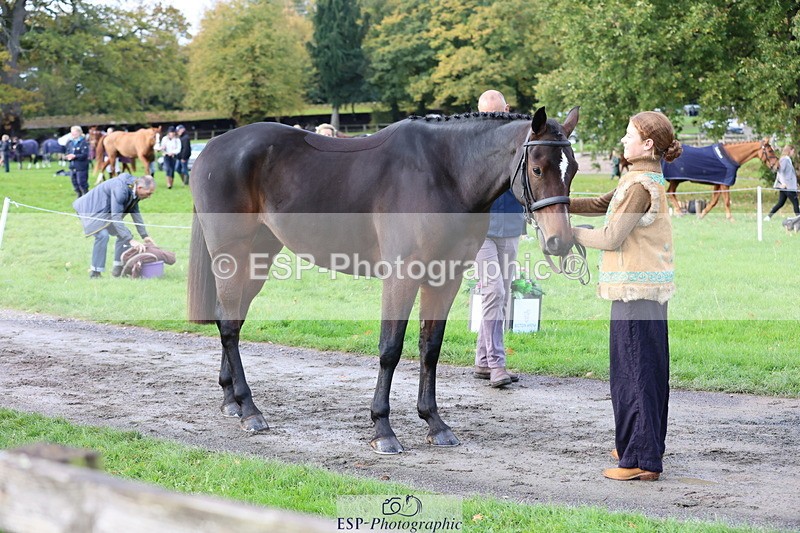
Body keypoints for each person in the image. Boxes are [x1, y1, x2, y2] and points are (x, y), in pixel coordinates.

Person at [571, 111, 681, 481]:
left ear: (648, 144)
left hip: (636, 296)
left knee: (633, 376)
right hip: (644, 294)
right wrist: (556, 203)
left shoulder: (639, 187)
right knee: (644, 373)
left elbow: (611, 237)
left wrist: (571, 234)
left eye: (629, 134)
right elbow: (604, 203)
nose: (623, 140)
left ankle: (639, 460)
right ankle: (642, 445)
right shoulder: (637, 178)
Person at [472, 90, 525, 388]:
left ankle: (482, 360)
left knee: (501, 293)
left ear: (507, 109)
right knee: (494, 291)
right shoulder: (473, 143)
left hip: (512, 225)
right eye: (485, 115)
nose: (492, 121)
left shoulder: (522, 137)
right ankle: (497, 364)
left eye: (497, 114)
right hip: (480, 230)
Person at [73, 173, 156, 279]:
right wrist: (131, 240)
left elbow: (135, 213)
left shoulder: (135, 191)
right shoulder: (120, 189)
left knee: (123, 235)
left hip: (106, 211)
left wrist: (145, 236)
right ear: (140, 188)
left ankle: (118, 269)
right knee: (102, 235)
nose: (149, 197)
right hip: (89, 209)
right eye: (148, 193)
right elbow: (116, 217)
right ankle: (95, 273)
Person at [764, 145, 798, 221]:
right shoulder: (785, 160)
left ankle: (768, 217)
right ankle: (798, 219)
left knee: (780, 203)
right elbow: (781, 172)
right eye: (793, 151)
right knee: (795, 203)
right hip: (788, 186)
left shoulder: (787, 159)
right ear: (790, 151)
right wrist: (783, 183)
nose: (793, 153)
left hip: (787, 186)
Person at [65, 125, 90, 197]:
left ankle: (86, 196)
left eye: (74, 132)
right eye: (72, 132)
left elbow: (85, 155)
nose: (73, 134)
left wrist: (75, 156)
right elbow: (68, 151)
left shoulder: (83, 142)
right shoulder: (70, 143)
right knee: (74, 183)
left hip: (81, 167)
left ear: (79, 133)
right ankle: (79, 195)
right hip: (72, 167)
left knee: (82, 183)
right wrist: (68, 156)